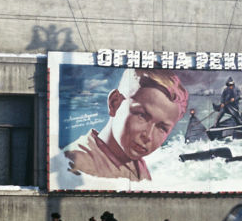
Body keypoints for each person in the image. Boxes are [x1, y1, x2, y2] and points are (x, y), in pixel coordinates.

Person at [60, 68, 188, 181]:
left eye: (162, 128)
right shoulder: (74, 162)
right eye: (142, 116)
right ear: (115, 103)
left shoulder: (138, 166)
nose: (148, 136)